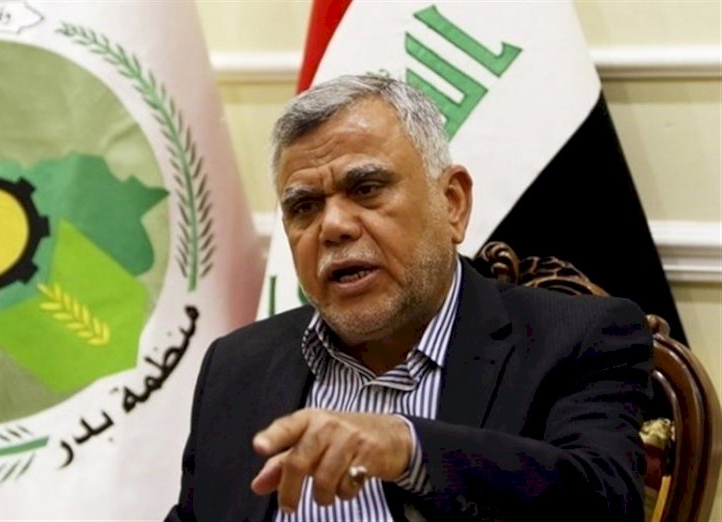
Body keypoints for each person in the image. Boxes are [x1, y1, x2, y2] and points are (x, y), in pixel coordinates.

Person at [166, 74, 653, 522]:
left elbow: (605, 503)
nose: (333, 226)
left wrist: (409, 449)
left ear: (452, 203)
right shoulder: (238, 365)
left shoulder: (576, 339)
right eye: (304, 206)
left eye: (366, 188)